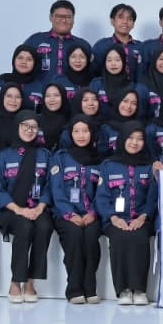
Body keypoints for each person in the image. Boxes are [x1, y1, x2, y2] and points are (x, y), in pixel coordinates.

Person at [0, 110, 54, 303]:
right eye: (25, 125)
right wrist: (19, 210)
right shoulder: (4, 156)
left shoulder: (44, 155)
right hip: (12, 210)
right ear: (17, 127)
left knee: (44, 226)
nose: (29, 130)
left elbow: (50, 185)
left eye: (33, 127)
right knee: (24, 227)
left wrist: (40, 207)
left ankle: (31, 281)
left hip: (37, 208)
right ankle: (16, 280)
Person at [95, 122, 159, 305]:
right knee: (120, 237)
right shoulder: (108, 165)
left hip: (142, 219)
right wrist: (113, 218)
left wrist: (143, 216)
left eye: (139, 139)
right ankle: (122, 290)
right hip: (114, 219)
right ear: (122, 139)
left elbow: (153, 197)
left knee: (139, 237)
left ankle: (139, 289)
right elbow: (101, 197)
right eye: (130, 138)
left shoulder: (149, 165)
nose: (135, 143)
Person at [50, 114, 103, 304]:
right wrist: (69, 213)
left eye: (85, 131)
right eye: (76, 131)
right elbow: (56, 189)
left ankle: (90, 288)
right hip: (64, 214)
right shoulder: (60, 157)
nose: (81, 135)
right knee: (73, 236)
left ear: (92, 133)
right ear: (70, 134)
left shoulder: (100, 160)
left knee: (91, 238)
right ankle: (74, 289)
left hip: (91, 215)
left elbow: (102, 192)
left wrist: (93, 213)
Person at [24, 0, 92, 83]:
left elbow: (91, 75)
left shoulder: (83, 45)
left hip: (73, 90)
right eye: (59, 16)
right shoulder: (35, 41)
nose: (63, 20)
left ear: (73, 20)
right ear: (50, 17)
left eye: (68, 17)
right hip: (39, 90)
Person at [0, 45, 40, 119]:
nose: (24, 62)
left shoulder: (40, 87)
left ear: (35, 62)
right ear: (14, 60)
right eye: (20, 58)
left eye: (29, 59)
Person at [90, 3, 146, 81]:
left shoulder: (141, 47)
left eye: (129, 19)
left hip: (135, 87)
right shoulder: (101, 46)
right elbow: (93, 73)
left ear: (133, 24)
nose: (125, 21)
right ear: (112, 21)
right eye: (121, 17)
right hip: (108, 87)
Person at [90, 47, 145, 117]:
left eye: (117, 60)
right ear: (104, 63)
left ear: (123, 62)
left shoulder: (132, 87)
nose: (113, 64)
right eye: (109, 60)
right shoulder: (96, 84)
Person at [97, 87, 144, 157]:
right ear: (118, 101)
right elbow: (102, 155)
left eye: (134, 103)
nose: (129, 106)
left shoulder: (140, 127)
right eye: (125, 101)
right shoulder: (106, 128)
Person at [0, 83, 26, 150]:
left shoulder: (27, 121)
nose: (13, 100)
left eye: (17, 97)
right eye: (9, 96)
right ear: (2, 97)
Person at [35, 83, 70, 149]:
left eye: (56, 95)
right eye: (48, 96)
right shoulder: (36, 121)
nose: (52, 99)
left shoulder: (71, 121)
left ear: (63, 97)